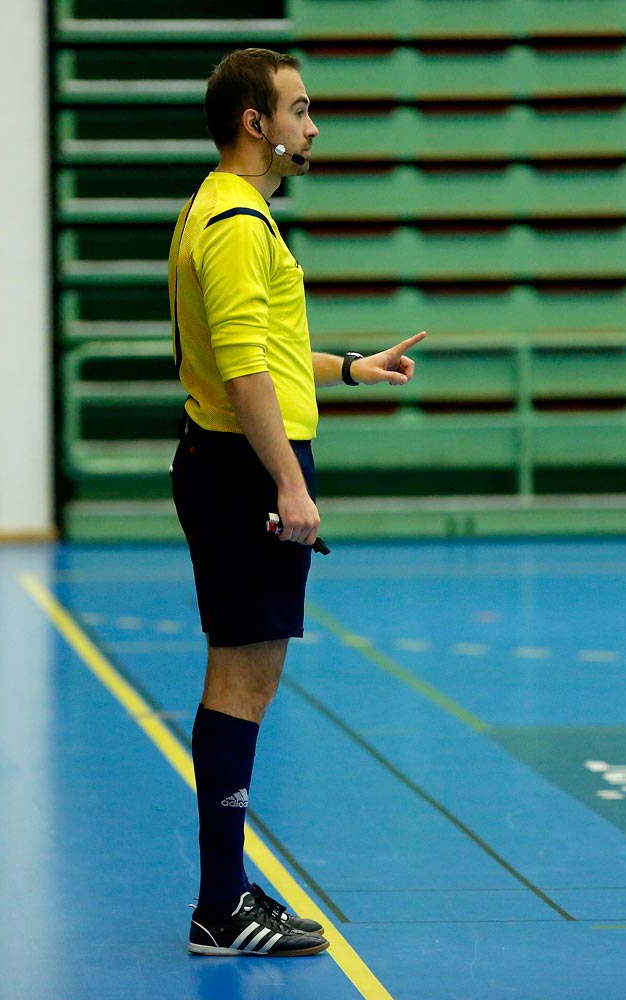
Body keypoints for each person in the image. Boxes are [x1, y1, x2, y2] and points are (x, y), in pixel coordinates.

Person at [168, 47, 426, 957]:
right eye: (299, 109)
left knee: (250, 676)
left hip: (235, 461)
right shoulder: (238, 223)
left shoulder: (225, 209)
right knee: (240, 679)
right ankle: (219, 905)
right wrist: (287, 482)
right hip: (245, 469)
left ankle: (227, 891)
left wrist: (350, 368)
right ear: (257, 124)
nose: (311, 126)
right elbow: (242, 373)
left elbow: (268, 354)